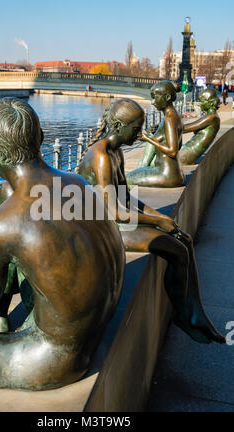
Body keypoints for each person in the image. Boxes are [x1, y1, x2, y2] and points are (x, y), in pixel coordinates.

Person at [0, 98, 125, 390]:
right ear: (41, 138)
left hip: (47, 360)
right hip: (93, 333)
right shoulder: (77, 184)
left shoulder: (1, 226)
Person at [77, 98, 225, 345]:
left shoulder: (115, 153)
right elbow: (115, 212)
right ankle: (186, 315)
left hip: (113, 220)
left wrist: (160, 218)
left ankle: (194, 314)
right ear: (116, 125)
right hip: (98, 228)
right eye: (135, 129)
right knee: (176, 249)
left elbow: (125, 198)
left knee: (184, 239)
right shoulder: (101, 156)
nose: (140, 134)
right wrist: (156, 223)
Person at [126, 81, 185, 188]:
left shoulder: (169, 119)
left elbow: (173, 151)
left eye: (155, 97)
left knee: (125, 180)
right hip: (175, 173)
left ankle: (124, 205)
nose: (152, 102)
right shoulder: (177, 116)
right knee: (136, 171)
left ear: (167, 97)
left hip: (167, 175)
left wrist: (147, 138)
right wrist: (156, 135)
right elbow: (179, 145)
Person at [179, 88, 220, 165]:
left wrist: (166, 126)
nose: (200, 103)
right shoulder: (210, 116)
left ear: (211, 103)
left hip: (187, 154)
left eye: (202, 101)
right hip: (188, 150)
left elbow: (185, 129)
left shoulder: (211, 117)